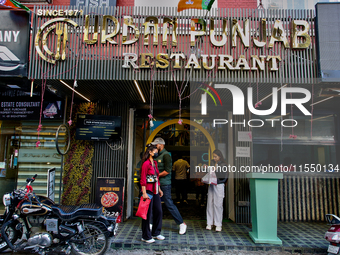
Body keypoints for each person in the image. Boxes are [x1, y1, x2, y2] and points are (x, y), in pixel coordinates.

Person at [151, 137, 187, 235]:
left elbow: (167, 171)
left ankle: (181, 223)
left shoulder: (166, 155)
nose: (155, 146)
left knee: (169, 204)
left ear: (161, 145)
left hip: (164, 183)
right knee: (153, 203)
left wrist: (156, 175)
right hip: (156, 183)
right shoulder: (157, 155)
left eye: (156, 145)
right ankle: (150, 223)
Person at [140, 144, 164, 243]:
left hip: (155, 191)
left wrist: (159, 189)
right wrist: (144, 192)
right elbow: (143, 179)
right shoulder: (146, 164)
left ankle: (156, 233)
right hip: (148, 191)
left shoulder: (154, 163)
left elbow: (156, 177)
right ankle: (145, 236)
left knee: (158, 211)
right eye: (155, 151)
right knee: (147, 214)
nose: (156, 152)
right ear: (150, 152)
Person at [206, 149, 228, 232]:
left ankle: (218, 224)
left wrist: (215, 170)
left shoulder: (224, 164)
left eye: (215, 156)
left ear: (219, 156)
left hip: (219, 184)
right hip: (212, 184)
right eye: (213, 156)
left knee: (218, 204)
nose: (214, 158)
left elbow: (222, 175)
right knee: (210, 203)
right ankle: (209, 223)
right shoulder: (212, 163)